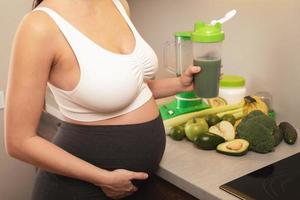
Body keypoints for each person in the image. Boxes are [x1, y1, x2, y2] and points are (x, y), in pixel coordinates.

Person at [4, 0, 201, 199]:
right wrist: (102, 178)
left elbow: (128, 88)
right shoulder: (39, 26)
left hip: (133, 185)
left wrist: (180, 84)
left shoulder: (117, 3)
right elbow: (19, 141)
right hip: (80, 189)